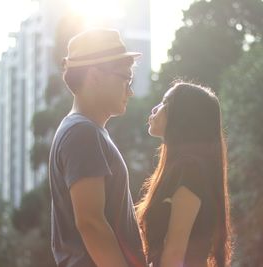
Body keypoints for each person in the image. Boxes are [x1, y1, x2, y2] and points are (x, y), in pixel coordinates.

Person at [49, 28, 146, 267]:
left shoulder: (86, 130)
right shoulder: (82, 133)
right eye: (125, 79)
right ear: (94, 76)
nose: (130, 91)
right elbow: (90, 222)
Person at [136, 82, 233, 267]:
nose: (155, 108)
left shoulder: (190, 170)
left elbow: (174, 254)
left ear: (182, 116)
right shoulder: (181, 168)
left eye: (165, 102)